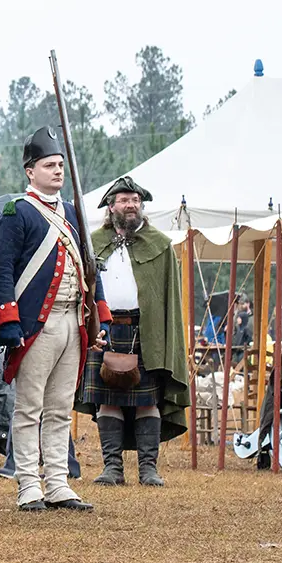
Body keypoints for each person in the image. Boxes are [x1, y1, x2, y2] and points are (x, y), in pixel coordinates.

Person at [0, 127, 109, 512]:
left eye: (60, 164)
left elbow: (90, 269)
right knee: (28, 408)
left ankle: (57, 482)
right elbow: (3, 268)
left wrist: (100, 315)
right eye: (49, 165)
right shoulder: (16, 211)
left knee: (60, 407)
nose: (57, 171)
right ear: (30, 171)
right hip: (35, 324)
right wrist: (8, 320)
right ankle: (28, 484)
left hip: (72, 320)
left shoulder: (72, 213)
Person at [78, 175, 190, 489]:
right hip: (106, 330)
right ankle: (112, 468)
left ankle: (148, 469)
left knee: (148, 401)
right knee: (107, 400)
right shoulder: (93, 244)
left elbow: (167, 299)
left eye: (136, 200)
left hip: (146, 332)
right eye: (125, 200)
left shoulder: (159, 244)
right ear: (111, 206)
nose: (131, 205)